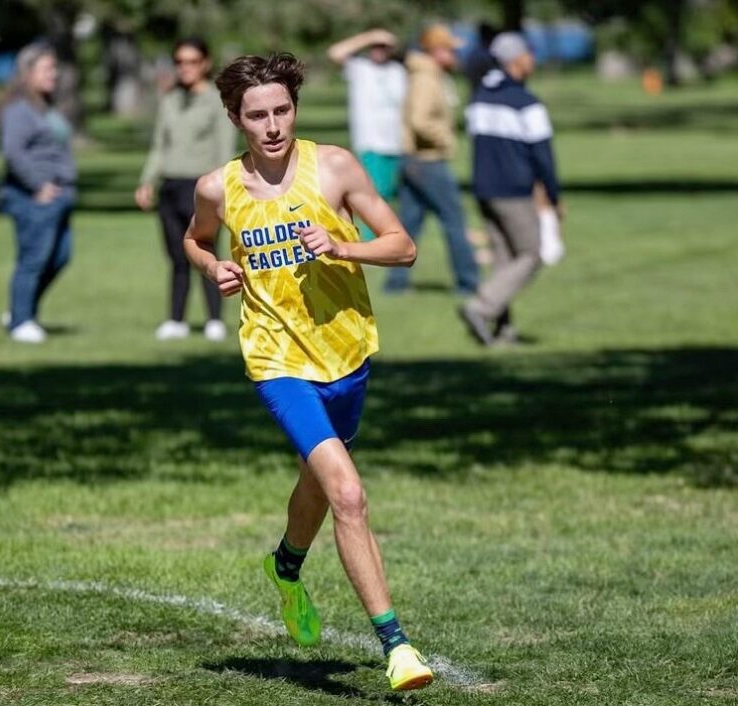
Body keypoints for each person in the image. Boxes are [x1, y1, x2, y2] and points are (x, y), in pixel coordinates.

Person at [183, 52, 434, 692]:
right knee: (347, 492)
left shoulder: (336, 167)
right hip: (276, 360)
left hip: (346, 354)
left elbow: (403, 246)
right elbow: (195, 238)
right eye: (257, 116)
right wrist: (214, 268)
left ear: (295, 108)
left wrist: (343, 245)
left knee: (319, 483)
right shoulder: (217, 188)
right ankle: (398, 648)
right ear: (235, 119)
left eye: (282, 110)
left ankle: (286, 566)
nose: (272, 126)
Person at [461, 32, 563, 345]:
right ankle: (481, 307)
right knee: (532, 254)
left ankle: (503, 331)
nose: (533, 59)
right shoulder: (526, 103)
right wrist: (553, 196)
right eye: (529, 54)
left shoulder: (479, 97)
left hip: (483, 189)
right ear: (517, 60)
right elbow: (543, 156)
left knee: (504, 261)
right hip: (514, 192)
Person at [135, 37, 236, 341]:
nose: (185, 68)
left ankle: (214, 319)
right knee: (177, 257)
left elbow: (224, 148)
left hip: (200, 187)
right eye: (179, 62)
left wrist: (221, 189)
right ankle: (176, 319)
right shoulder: (170, 99)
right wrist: (147, 180)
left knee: (205, 252)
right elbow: (159, 146)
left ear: (205, 63)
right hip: (170, 186)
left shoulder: (216, 101)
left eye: (192, 61)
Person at [383, 23, 479, 295]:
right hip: (428, 161)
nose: (454, 55)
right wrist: (445, 138)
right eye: (450, 50)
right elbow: (420, 120)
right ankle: (468, 284)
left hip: (414, 161)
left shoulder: (427, 74)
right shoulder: (426, 78)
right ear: (436, 51)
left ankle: (395, 284)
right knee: (455, 221)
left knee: (409, 224)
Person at [0, 43, 76, 344]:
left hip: (59, 195)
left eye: (54, 68)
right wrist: (38, 185)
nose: (53, 74)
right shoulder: (18, 110)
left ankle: (20, 310)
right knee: (33, 259)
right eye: (46, 69)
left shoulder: (45, 106)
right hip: (33, 197)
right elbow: (12, 152)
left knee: (60, 257)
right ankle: (21, 321)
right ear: (26, 73)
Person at [327, 29, 407, 241]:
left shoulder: (397, 71)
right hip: (370, 142)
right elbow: (335, 53)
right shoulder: (360, 68)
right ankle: (372, 240)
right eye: (375, 47)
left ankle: (386, 236)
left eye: (383, 47)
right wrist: (369, 37)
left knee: (389, 193)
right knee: (373, 194)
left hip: (396, 142)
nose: (379, 51)